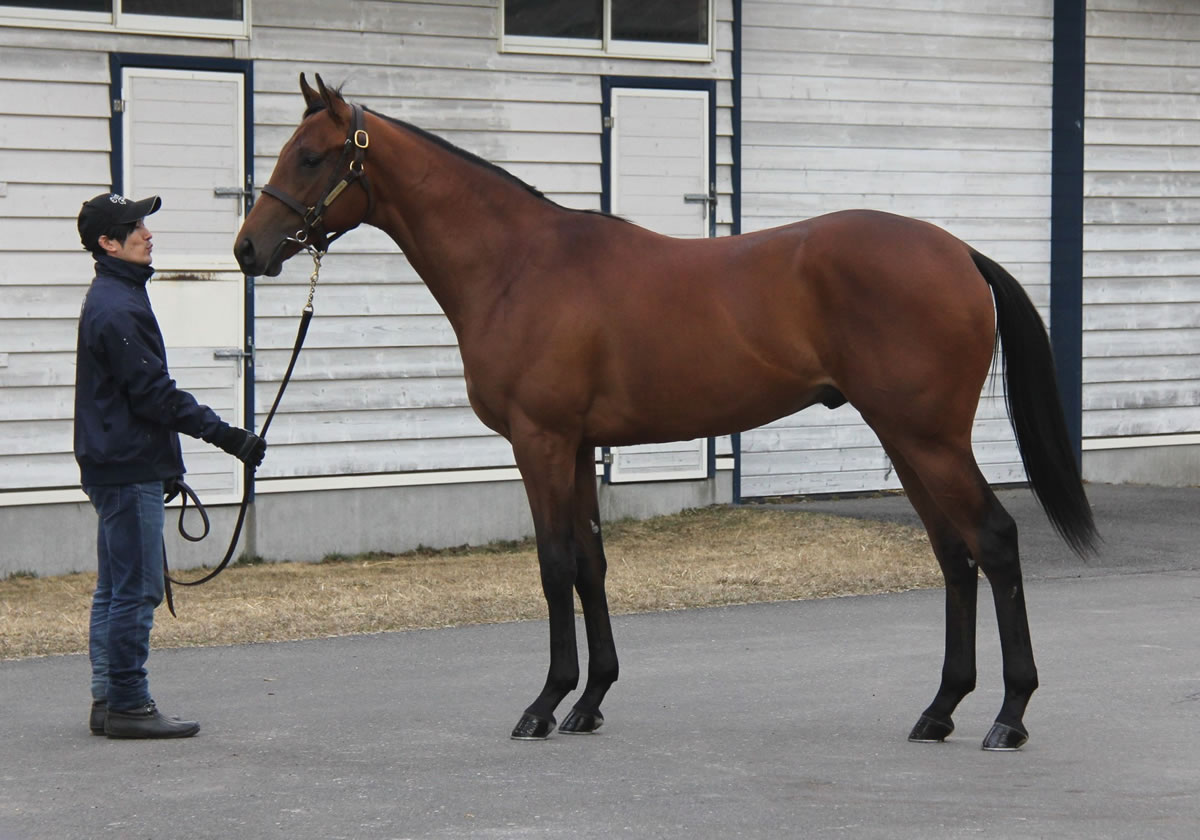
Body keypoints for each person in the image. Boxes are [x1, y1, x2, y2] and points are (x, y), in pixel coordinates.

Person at [74, 192, 266, 739]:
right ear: (108, 243)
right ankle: (129, 704)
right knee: (136, 589)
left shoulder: (116, 296)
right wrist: (231, 437)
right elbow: (154, 395)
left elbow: (135, 397)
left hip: (120, 462)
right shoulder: (118, 306)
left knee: (115, 587)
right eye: (134, 226)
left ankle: (108, 700)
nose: (147, 233)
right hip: (125, 466)